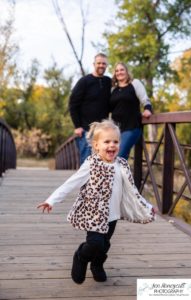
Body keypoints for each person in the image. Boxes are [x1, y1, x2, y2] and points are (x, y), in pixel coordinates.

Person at [37, 119, 155, 285]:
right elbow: (71, 182)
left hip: (113, 215)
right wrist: (52, 200)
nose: (111, 145)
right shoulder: (91, 164)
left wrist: (147, 207)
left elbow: (132, 190)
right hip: (94, 213)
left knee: (104, 244)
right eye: (106, 141)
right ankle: (81, 256)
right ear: (96, 145)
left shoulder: (121, 165)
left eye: (115, 141)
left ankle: (97, 265)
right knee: (95, 243)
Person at [69, 53, 111, 165]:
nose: (101, 65)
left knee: (100, 162)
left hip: (102, 130)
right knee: (86, 162)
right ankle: (84, 183)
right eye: (99, 63)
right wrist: (77, 126)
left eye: (104, 63)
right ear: (94, 64)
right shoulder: (84, 81)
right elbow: (73, 104)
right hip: (86, 130)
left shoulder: (108, 82)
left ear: (106, 65)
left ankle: (95, 183)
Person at [110, 62, 152, 160]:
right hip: (115, 130)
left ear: (127, 71)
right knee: (117, 158)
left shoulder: (134, 83)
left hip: (131, 127)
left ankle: (120, 175)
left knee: (118, 156)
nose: (119, 72)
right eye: (117, 70)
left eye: (122, 70)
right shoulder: (113, 89)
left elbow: (145, 99)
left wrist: (147, 109)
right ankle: (123, 175)